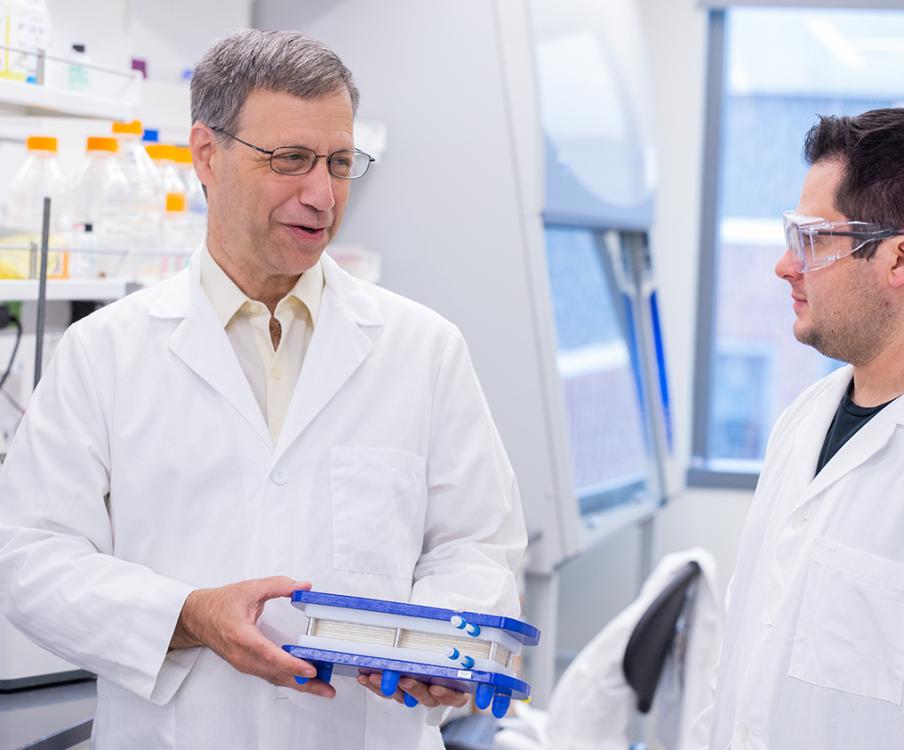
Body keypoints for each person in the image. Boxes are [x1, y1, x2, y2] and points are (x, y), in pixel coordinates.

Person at [0, 30, 526, 749]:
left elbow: (478, 545)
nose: (322, 194)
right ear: (207, 154)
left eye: (340, 163)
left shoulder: (423, 348)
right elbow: (29, 555)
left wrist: (432, 640)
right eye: (290, 160)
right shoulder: (106, 353)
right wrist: (188, 615)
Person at [696, 107, 904, 750]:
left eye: (811, 240)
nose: (784, 266)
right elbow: (738, 676)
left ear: (900, 259)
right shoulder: (804, 421)